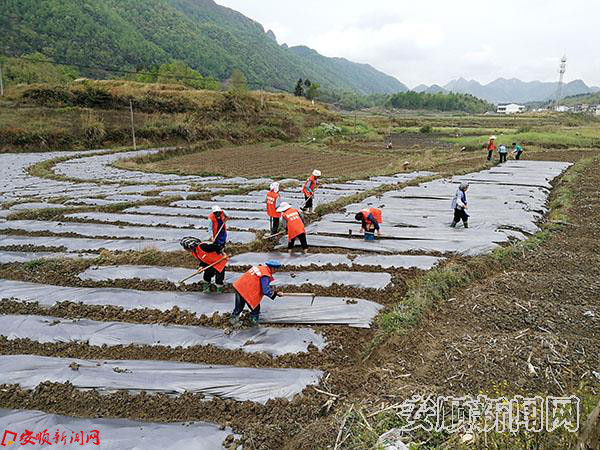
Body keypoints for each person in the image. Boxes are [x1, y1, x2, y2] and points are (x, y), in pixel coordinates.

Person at [230, 260, 283, 326]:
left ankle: (233, 320)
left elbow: (261, 284)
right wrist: (275, 294)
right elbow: (265, 291)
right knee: (255, 308)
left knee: (239, 307)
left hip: (239, 286)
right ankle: (254, 324)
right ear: (272, 268)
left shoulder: (261, 268)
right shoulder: (265, 275)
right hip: (247, 290)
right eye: (276, 269)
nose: (276, 271)